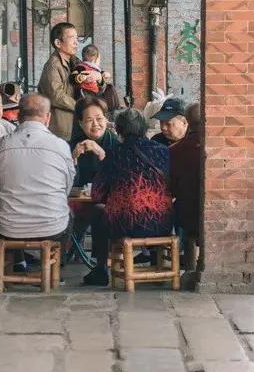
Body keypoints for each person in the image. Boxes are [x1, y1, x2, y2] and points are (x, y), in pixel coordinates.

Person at [82, 108, 173, 286]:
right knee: (158, 205)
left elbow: (97, 194)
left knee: (98, 211)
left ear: (118, 130)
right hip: (162, 223)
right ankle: (156, 262)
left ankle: (101, 269)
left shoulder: (114, 153)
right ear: (144, 128)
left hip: (123, 224)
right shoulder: (163, 151)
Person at [0, 93, 75, 245]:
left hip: (9, 228)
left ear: (18, 116)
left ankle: (18, 262)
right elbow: (66, 187)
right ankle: (56, 265)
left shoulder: (0, 145)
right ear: (48, 117)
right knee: (69, 215)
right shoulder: (61, 146)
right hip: (52, 228)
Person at [169, 102, 204, 289]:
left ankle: (190, 269)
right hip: (214, 211)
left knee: (188, 230)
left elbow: (171, 187)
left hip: (186, 211)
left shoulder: (175, 150)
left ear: (187, 121)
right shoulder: (215, 148)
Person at [38, 22, 79, 141]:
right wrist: (81, 107)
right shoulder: (53, 65)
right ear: (58, 43)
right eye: (72, 38)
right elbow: (56, 96)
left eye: (77, 38)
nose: (76, 42)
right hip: (61, 128)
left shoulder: (75, 62)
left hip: (74, 125)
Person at [70, 96, 119, 187]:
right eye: (89, 120)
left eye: (99, 119)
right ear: (81, 123)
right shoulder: (72, 146)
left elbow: (117, 184)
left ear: (105, 119)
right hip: (80, 200)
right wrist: (73, 159)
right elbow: (69, 186)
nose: (95, 124)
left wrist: (101, 153)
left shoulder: (117, 144)